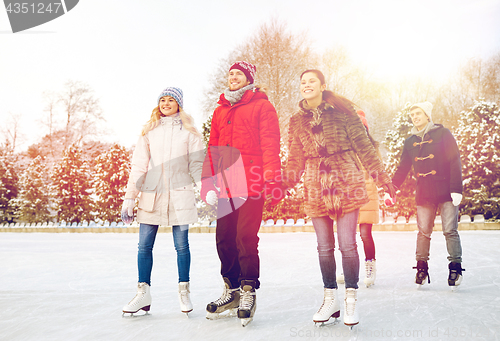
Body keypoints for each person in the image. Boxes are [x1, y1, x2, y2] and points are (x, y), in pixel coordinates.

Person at [283, 70, 395, 327]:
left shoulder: (345, 114)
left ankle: (350, 299)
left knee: (347, 244)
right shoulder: (296, 121)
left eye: (312, 81)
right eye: (302, 82)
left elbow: (365, 148)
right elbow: (295, 160)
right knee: (324, 247)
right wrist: (282, 185)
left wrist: (383, 180)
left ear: (323, 86)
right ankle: (330, 298)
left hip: (346, 182)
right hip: (314, 186)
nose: (306, 85)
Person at [200, 61, 282, 326]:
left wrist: (271, 178)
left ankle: (248, 291)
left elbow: (270, 143)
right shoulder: (220, 111)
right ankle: (231, 290)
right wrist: (208, 183)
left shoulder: (262, 106)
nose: (233, 77)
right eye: (230, 74)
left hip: (252, 180)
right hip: (226, 183)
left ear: (248, 79)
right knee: (224, 238)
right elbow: (213, 148)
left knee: (245, 237)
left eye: (238, 74)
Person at [121, 87, 204, 316]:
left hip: (180, 194)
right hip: (152, 194)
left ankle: (184, 291)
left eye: (171, 100)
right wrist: (130, 198)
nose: (166, 103)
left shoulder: (190, 132)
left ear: (179, 104)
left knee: (182, 246)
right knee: (144, 246)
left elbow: (196, 164)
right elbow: (138, 166)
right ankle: (142, 294)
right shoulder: (149, 131)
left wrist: (205, 187)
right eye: (162, 100)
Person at [392, 101, 465, 288]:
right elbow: (403, 168)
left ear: (427, 115)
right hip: (424, 192)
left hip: (447, 190)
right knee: (424, 232)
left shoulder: (443, 134)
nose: (415, 117)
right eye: (412, 115)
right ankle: (421, 268)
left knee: (450, 230)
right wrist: (391, 188)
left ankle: (455, 268)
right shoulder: (410, 142)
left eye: (418, 113)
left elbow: (454, 160)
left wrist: (457, 189)